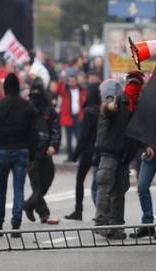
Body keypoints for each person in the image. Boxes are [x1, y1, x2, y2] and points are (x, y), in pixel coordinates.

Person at [0, 73, 37, 237]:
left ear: (4, 89)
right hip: (22, 152)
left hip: (2, 151)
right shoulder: (28, 107)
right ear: (18, 88)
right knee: (19, 188)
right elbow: (34, 134)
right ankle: (16, 225)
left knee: (0, 189)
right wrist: (32, 156)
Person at [94, 73, 150, 240]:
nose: (134, 87)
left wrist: (146, 146)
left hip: (125, 156)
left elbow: (138, 131)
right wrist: (109, 107)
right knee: (105, 188)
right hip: (110, 152)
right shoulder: (117, 100)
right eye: (131, 83)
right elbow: (106, 108)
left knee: (119, 191)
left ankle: (116, 226)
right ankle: (102, 224)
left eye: (137, 84)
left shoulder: (137, 106)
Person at [23, 78, 60, 224]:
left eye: (39, 90)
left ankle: (29, 204)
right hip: (32, 153)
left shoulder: (49, 109)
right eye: (34, 91)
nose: (36, 93)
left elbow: (55, 128)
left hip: (46, 151)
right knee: (36, 185)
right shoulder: (26, 108)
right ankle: (43, 213)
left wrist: (54, 145)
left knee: (47, 180)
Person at [65, 82, 101, 221]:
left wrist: (75, 154)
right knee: (97, 183)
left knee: (80, 179)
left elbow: (84, 135)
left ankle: (78, 209)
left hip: (88, 151)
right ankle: (101, 210)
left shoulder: (88, 111)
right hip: (99, 150)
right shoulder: (100, 110)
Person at [58, 71, 86, 162]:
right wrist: (61, 79)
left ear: (76, 81)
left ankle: (80, 156)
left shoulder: (81, 90)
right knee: (69, 139)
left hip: (78, 116)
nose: (71, 83)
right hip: (68, 117)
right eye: (69, 81)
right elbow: (59, 90)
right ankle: (70, 157)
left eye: (73, 81)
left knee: (79, 137)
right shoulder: (65, 90)